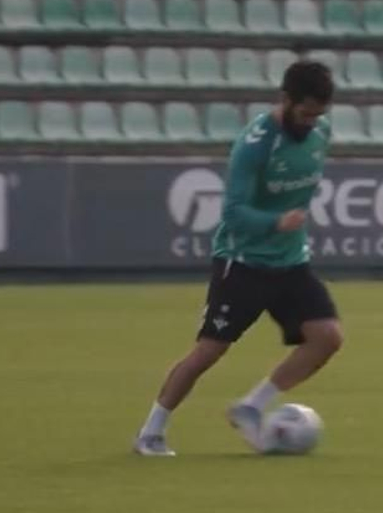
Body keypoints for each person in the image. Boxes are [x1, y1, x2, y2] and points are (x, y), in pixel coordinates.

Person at [133, 60, 345, 456]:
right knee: (208, 352)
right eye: (305, 113)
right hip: (243, 262)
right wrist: (276, 221)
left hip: (290, 261)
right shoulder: (255, 145)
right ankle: (151, 431)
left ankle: (251, 406)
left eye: (319, 115)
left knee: (327, 338)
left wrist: (288, 230)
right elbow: (233, 214)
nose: (312, 122)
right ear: (285, 100)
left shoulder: (321, 133)